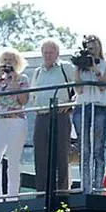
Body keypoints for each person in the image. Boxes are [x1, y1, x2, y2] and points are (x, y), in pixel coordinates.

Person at [0, 50, 30, 200]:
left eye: (11, 60)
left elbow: (23, 100)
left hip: (16, 120)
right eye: (5, 60)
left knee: (13, 159)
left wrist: (14, 81)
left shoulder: (22, 79)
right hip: (0, 121)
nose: (7, 63)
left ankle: (12, 196)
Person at [71, 34, 106, 193]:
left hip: (99, 107)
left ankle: (98, 188)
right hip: (82, 106)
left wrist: (94, 68)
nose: (92, 47)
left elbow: (103, 86)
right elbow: (78, 89)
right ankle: (85, 188)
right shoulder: (80, 66)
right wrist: (78, 66)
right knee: (84, 150)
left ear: (99, 45)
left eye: (94, 43)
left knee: (98, 149)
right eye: (88, 45)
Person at [31, 38, 72, 193]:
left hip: (60, 115)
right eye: (45, 52)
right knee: (40, 156)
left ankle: (62, 193)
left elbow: (80, 88)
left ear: (57, 53)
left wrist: (69, 103)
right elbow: (33, 93)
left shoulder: (66, 68)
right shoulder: (37, 71)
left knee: (61, 155)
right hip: (41, 116)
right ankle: (42, 193)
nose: (47, 55)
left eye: (50, 52)